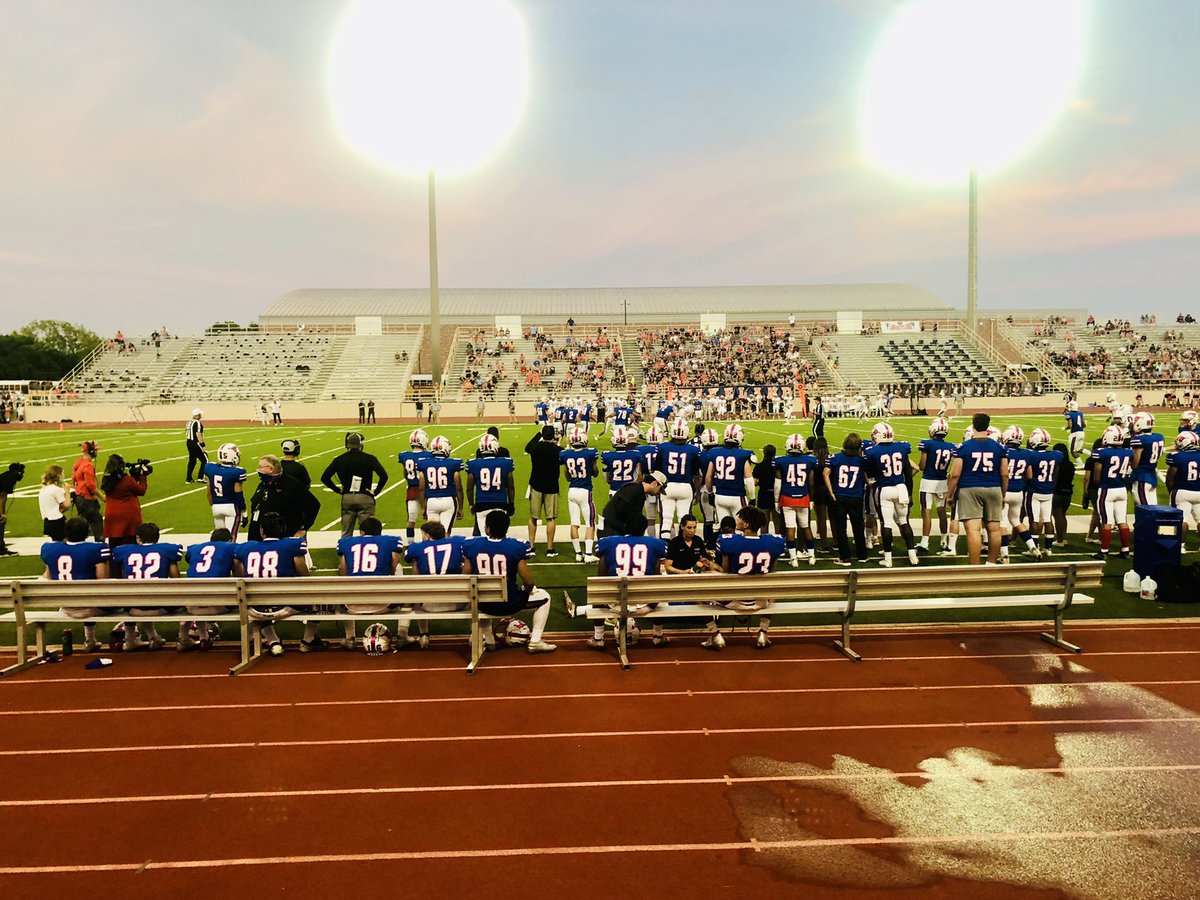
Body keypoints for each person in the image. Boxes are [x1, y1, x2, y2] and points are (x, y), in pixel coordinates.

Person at [463, 510, 557, 654]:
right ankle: (535, 641)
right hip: (509, 603)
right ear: (507, 528)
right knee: (545, 598)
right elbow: (529, 581)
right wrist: (527, 590)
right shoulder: (516, 546)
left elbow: (465, 576)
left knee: (478, 592)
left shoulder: (472, 545)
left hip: (482, 604)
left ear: (487, 528)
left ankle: (489, 639)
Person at [708, 506, 785, 650]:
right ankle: (763, 631)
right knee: (774, 587)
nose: (737, 519)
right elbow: (772, 570)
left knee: (701, 583)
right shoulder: (773, 542)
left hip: (734, 599)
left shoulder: (729, 541)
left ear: (746, 524)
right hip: (761, 600)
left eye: (740, 518)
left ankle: (715, 634)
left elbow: (725, 571)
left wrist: (713, 567)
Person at [234, 510, 310, 656]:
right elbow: (304, 576)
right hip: (285, 606)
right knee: (320, 599)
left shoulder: (246, 548)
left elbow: (238, 570)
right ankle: (308, 639)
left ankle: (273, 641)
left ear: (262, 531)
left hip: (254, 608)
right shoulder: (292, 544)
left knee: (260, 600)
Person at [591, 517, 670, 648]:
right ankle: (658, 635)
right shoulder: (654, 543)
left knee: (603, 566)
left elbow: (598, 551)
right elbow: (664, 554)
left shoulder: (609, 541)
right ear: (644, 529)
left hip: (614, 603)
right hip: (646, 604)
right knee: (655, 560)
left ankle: (598, 638)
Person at [946, 413, 1009, 566]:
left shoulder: (964, 447)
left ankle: (975, 567)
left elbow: (955, 474)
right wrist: (1003, 494)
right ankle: (991, 564)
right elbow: (1005, 474)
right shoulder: (999, 447)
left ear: (973, 425)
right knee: (994, 529)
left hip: (969, 488)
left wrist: (950, 494)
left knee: (973, 530)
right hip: (993, 487)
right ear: (988, 426)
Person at [40, 516, 109, 651]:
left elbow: (47, 575)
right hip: (89, 606)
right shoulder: (95, 549)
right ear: (87, 532)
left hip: (65, 605)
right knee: (109, 598)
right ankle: (91, 638)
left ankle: (90, 640)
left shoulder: (50, 549)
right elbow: (102, 579)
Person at [111, 521, 183, 651]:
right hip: (160, 605)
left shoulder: (124, 551)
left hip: (134, 607)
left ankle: (130, 638)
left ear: (138, 538)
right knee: (183, 599)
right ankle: (183, 637)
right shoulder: (167, 550)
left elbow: (124, 578)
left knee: (133, 595)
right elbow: (176, 579)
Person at [337, 516, 404, 646]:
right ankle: (403, 635)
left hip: (352, 606)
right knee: (401, 576)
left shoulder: (346, 543)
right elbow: (395, 565)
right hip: (383, 604)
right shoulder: (391, 541)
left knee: (345, 585)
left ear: (362, 532)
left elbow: (344, 571)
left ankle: (349, 637)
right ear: (380, 531)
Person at [400, 520, 466, 647]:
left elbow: (408, 557)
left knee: (416, 577)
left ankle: (422, 634)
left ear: (428, 536)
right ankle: (480, 634)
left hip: (428, 603)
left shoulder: (417, 547)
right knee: (466, 563)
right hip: (458, 601)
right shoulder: (457, 542)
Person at [863, 422, 919, 567]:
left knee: (886, 523)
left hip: (884, 489)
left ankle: (888, 559)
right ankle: (912, 555)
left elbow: (870, 473)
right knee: (904, 521)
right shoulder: (902, 448)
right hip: (901, 487)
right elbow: (907, 471)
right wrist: (910, 492)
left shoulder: (873, 451)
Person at [320, 432, 389, 538]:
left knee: (346, 532)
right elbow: (384, 476)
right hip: (364, 496)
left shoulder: (339, 459)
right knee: (368, 532)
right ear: (360, 444)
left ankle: (344, 554)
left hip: (347, 497)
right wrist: (376, 491)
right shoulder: (369, 458)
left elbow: (325, 477)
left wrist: (338, 490)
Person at [182, 527, 237, 651]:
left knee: (199, 593)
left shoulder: (195, 548)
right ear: (229, 540)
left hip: (192, 607)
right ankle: (250, 636)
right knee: (241, 596)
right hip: (217, 605)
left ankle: (203, 637)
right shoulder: (231, 547)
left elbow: (189, 559)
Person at [247, 455, 321, 541]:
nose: (258, 470)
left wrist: (303, 528)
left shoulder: (291, 485)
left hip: (284, 537)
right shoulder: (263, 485)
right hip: (259, 536)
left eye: (260, 467)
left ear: (270, 469)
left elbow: (314, 505)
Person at [1088, 424, 1133, 560]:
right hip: (1121, 489)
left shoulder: (1101, 453)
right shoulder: (1127, 452)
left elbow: (1097, 474)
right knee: (1122, 520)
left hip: (1107, 489)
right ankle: (1125, 550)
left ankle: (1104, 550)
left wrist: (1097, 483)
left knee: (1106, 520)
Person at [774, 434, 819, 566]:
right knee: (806, 527)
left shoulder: (780, 461)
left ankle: (793, 559)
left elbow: (778, 484)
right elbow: (811, 483)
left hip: (787, 498)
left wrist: (776, 500)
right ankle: (812, 556)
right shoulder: (810, 460)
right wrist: (811, 499)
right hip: (803, 497)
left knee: (790, 528)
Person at [824, 433, 867, 566]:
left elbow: (825, 473)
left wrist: (830, 491)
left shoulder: (835, 458)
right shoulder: (861, 460)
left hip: (840, 495)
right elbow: (866, 475)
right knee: (858, 527)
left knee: (841, 528)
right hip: (856, 496)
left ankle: (845, 557)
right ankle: (862, 555)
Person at [998, 425, 1039, 562]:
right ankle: (1033, 548)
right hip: (1018, 492)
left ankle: (1004, 555)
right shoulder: (1026, 453)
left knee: (1002, 523)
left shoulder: (1003, 452)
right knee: (1016, 520)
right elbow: (1029, 474)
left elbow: (1001, 473)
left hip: (1004, 491)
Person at [706, 423, 755, 536]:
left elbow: (708, 477)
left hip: (720, 496)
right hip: (737, 496)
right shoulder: (744, 454)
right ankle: (739, 552)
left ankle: (726, 553)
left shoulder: (714, 452)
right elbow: (749, 478)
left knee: (725, 530)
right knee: (741, 529)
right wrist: (752, 498)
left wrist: (710, 493)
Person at [656, 417, 702, 539]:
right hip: (686, 487)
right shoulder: (693, 450)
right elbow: (696, 475)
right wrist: (697, 491)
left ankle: (665, 548)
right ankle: (683, 547)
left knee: (666, 518)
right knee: (684, 519)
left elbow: (657, 472)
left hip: (667, 486)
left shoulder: (663, 447)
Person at [560, 426, 600, 562]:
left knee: (574, 522)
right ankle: (588, 554)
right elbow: (595, 473)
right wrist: (592, 465)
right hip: (585, 490)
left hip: (572, 491)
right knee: (590, 523)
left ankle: (578, 553)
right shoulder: (590, 453)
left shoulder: (565, 454)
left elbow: (567, 476)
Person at [917, 418, 954, 554]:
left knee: (926, 512)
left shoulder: (927, 444)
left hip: (928, 482)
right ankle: (944, 540)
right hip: (942, 482)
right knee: (941, 511)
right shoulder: (951, 446)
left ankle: (924, 542)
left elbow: (922, 466)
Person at [466, 433, 515, 535]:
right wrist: (511, 503)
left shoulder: (473, 464)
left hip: (481, 504)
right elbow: (510, 487)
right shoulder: (505, 463)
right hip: (500, 503)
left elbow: (469, 488)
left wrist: (471, 504)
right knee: (499, 536)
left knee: (484, 538)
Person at [525, 424, 562, 556]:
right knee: (551, 518)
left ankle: (531, 546)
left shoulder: (535, 447)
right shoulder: (557, 450)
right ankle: (550, 548)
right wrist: (557, 442)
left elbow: (528, 446)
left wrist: (539, 434)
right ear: (553, 435)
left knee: (533, 517)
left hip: (536, 484)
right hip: (551, 486)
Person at [1026, 429, 1062, 556]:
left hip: (1035, 491)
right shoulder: (1056, 455)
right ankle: (1048, 548)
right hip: (1049, 491)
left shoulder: (1031, 454)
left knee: (1034, 520)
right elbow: (1056, 472)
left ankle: (1035, 548)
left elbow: (1029, 475)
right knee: (1048, 519)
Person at [601, 470, 666, 539]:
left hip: (614, 530)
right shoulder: (635, 489)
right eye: (660, 489)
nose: (659, 493)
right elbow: (621, 508)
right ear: (655, 483)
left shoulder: (638, 490)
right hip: (612, 531)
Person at [101, 454, 148, 549]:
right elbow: (141, 490)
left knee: (113, 547)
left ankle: (113, 563)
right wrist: (143, 477)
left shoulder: (106, 480)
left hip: (112, 515)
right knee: (129, 547)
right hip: (128, 516)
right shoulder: (126, 480)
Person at [417, 436, 463, 531]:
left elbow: (421, 488)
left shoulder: (423, 463)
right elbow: (459, 488)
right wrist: (461, 507)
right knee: (446, 533)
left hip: (431, 501)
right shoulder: (454, 463)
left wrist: (422, 507)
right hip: (448, 500)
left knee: (432, 534)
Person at [203, 442, 247, 540]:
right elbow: (238, 494)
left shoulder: (211, 468)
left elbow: (208, 492)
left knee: (218, 538)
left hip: (216, 507)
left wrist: (212, 505)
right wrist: (244, 512)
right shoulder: (236, 472)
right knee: (230, 539)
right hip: (231, 507)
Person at [1167, 431, 1200, 551]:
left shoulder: (1176, 456)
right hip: (1199, 491)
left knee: (1182, 519)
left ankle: (1180, 546)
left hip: (1182, 491)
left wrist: (1171, 490)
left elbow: (1170, 478)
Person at [397, 430, 432, 542]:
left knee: (411, 521)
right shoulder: (428, 455)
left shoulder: (405, 456)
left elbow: (405, 473)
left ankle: (410, 543)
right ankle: (428, 543)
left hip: (411, 489)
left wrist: (409, 479)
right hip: (426, 490)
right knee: (429, 519)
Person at [1129, 411, 1165, 507]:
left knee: (1144, 509)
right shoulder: (1159, 437)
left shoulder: (1138, 439)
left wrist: (1128, 463)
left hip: (1141, 477)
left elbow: (1135, 463)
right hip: (1152, 475)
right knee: (1153, 508)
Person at [72, 441, 104, 541]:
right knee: (96, 522)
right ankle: (99, 545)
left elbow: (74, 479)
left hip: (79, 497)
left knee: (82, 523)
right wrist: (102, 496)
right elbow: (90, 485)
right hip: (87, 499)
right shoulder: (88, 466)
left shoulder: (78, 463)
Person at [39, 465, 71, 542]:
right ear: (59, 476)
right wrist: (67, 491)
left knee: (54, 545)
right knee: (63, 544)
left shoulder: (43, 489)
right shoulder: (56, 489)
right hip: (57, 521)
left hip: (47, 521)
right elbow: (67, 505)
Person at [0, 462, 26, 555]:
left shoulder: (7, 476)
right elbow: (2, 495)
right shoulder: (10, 478)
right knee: (1, 522)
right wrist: (2, 513)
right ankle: (1, 548)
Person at [185, 408, 207, 483]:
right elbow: (198, 434)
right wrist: (202, 445)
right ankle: (200, 477)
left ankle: (188, 478)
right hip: (195, 443)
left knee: (192, 460)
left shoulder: (188, 422)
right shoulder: (197, 423)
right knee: (205, 460)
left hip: (188, 442)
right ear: (198, 415)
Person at [1064, 400, 1086, 467]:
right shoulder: (1080, 413)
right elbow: (1084, 424)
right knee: (1078, 449)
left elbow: (1070, 425)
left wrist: (1065, 428)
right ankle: (1091, 454)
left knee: (1072, 450)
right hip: (1082, 432)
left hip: (1075, 434)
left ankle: (1081, 464)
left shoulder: (1068, 414)